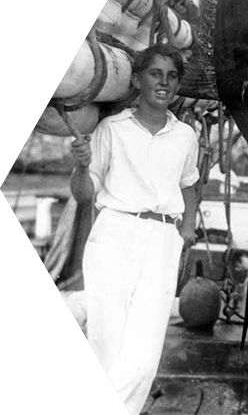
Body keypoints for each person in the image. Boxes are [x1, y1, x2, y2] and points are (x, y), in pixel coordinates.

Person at [70, 42, 200, 415]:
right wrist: (80, 167)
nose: (164, 83)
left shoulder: (185, 136)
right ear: (139, 80)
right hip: (114, 235)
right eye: (155, 74)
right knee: (105, 347)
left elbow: (189, 183)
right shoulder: (112, 129)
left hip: (162, 241)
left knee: (143, 357)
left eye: (172, 76)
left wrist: (187, 226)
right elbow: (84, 195)